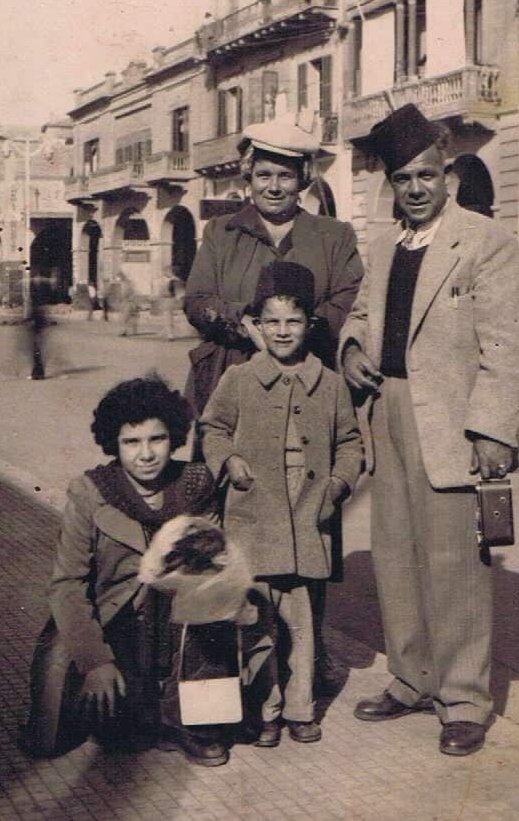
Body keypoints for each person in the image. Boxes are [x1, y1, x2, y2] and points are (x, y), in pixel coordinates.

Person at [339, 103, 519, 756]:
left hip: (454, 421)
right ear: (391, 183)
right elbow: (360, 313)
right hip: (387, 410)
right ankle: (411, 677)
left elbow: (507, 346)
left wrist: (493, 431)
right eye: (403, 178)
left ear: (447, 173)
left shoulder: (485, 242)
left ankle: (464, 699)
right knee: (394, 555)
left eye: (427, 175)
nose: (416, 188)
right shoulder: (386, 244)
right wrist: (351, 349)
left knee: (455, 565)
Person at [19, 375, 229, 766]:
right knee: (54, 738)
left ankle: (198, 724)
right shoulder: (90, 492)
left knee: (215, 619)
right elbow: (66, 585)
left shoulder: (195, 483)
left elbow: (212, 568)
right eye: (132, 442)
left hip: (176, 619)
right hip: (111, 620)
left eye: (157, 439)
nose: (146, 454)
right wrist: (95, 660)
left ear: (174, 437)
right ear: (114, 444)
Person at [200, 261, 363, 746]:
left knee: (304, 624)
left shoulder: (331, 384)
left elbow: (351, 443)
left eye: (293, 321)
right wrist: (228, 460)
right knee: (257, 624)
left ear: (309, 325)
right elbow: (213, 428)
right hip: (254, 518)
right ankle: (265, 709)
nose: (283, 331)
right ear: (256, 325)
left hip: (308, 516)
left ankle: (300, 708)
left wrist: (337, 484)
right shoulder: (239, 379)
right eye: (271, 321)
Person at [183, 116, 364, 419]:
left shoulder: (334, 236)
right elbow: (197, 301)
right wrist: (244, 323)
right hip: (229, 375)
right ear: (249, 177)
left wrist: (293, 330)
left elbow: (349, 303)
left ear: (302, 179)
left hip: (310, 378)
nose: (274, 187)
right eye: (264, 175)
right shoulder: (221, 232)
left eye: (285, 176)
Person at [159, 266, 184, 341]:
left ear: (170, 272)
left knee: (168, 318)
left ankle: (170, 335)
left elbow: (179, 293)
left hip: (170, 300)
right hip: (167, 300)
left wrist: (178, 300)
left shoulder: (174, 281)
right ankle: (167, 333)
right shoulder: (169, 280)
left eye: (166, 271)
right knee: (167, 318)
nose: (164, 273)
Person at [117, 270, 139, 337]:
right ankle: (129, 331)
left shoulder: (126, 283)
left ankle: (124, 331)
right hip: (126, 302)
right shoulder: (123, 283)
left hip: (128, 302)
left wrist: (122, 297)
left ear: (122, 276)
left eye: (119, 277)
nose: (118, 279)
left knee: (125, 317)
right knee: (126, 317)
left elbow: (126, 293)